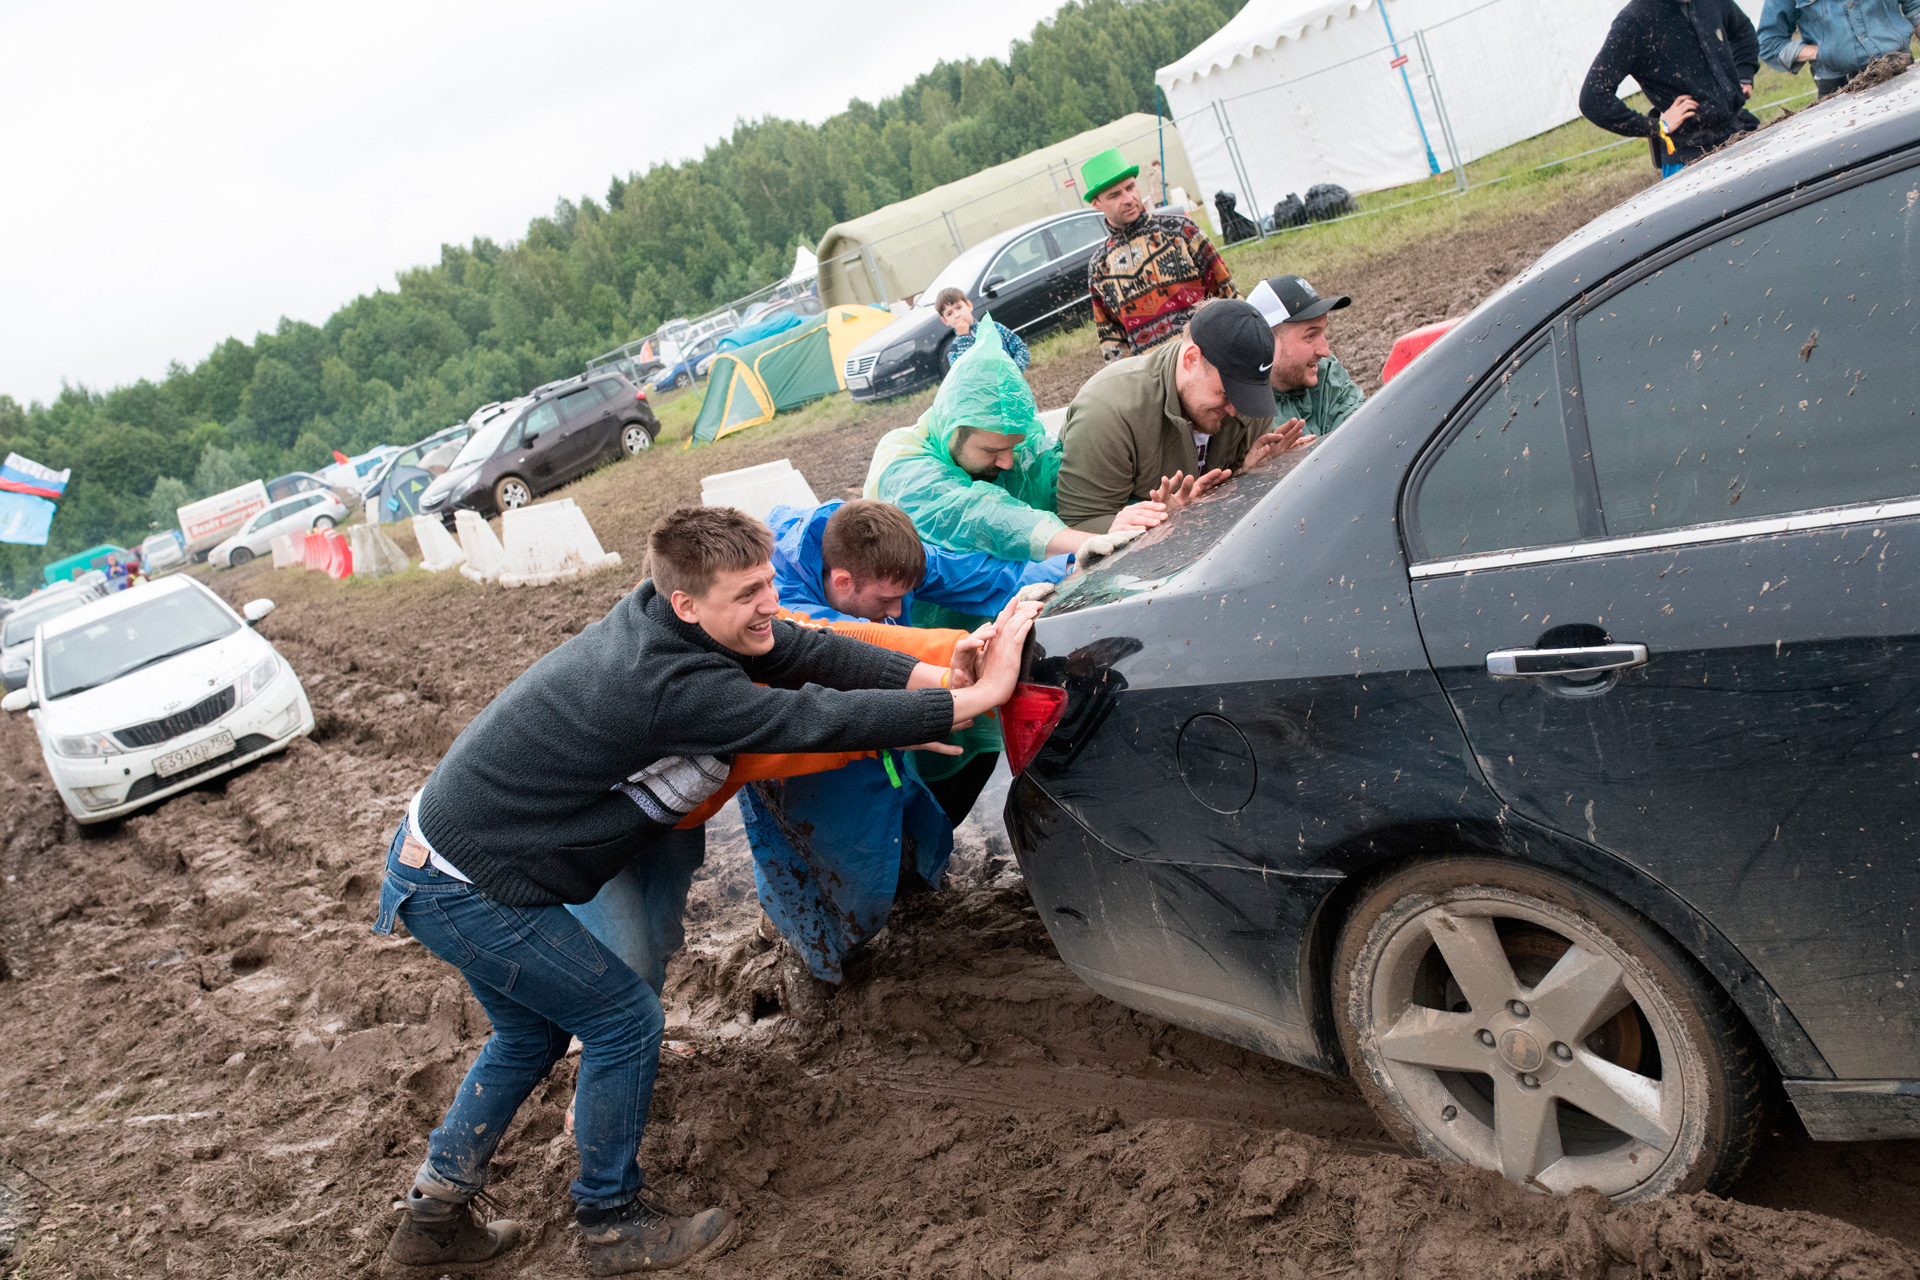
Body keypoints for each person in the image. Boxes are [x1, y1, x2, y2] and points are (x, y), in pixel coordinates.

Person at [373, 505, 1036, 1274]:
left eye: (767, 582)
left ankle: (431, 1220)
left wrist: (938, 674)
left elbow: (802, 649)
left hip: (441, 857)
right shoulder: (667, 684)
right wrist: (978, 698)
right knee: (624, 1020)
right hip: (464, 884)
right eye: (747, 593)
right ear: (688, 601)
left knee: (531, 1035)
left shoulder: (670, 618)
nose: (769, 604)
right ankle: (610, 1221)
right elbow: (804, 716)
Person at [866, 319, 1167, 562]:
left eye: (1013, 446)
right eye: (991, 450)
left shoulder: (1022, 448)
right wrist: (1090, 541)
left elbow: (1072, 484)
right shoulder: (903, 465)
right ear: (952, 432)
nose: (1008, 461)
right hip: (954, 632)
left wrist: (1145, 512)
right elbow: (981, 516)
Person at [1055, 299, 1306, 534]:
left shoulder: (1245, 403)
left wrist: (1251, 476)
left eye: (1247, 397)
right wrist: (1163, 520)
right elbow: (1078, 525)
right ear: (1191, 359)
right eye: (1227, 394)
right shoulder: (1109, 412)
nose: (1235, 410)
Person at [1081, 146, 1239, 363]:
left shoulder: (1181, 231)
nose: (1128, 198)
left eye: (1130, 187)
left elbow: (1228, 294)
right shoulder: (1099, 267)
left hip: (1210, 362)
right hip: (1155, 383)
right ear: (1097, 204)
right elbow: (1112, 341)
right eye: (1115, 195)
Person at [1580, 0, 1761, 177]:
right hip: (1690, 158)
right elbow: (1593, 97)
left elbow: (1742, 30)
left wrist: (1744, 74)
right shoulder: (1634, 20)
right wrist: (1656, 126)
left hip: (1743, 132)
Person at [1245, 274, 1367, 438]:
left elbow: (1364, 430)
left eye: (1323, 331)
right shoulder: (1236, 408)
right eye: (1310, 336)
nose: (1325, 351)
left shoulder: (1326, 372)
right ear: (1267, 343)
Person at [1757, 0, 1920, 99]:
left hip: (1900, 70)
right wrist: (1820, 52)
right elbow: (1768, 43)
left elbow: (1916, 8)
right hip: (1838, 89)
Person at [934, 288, 1030, 371]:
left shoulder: (994, 327)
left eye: (959, 307)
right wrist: (964, 337)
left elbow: (1020, 348)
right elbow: (965, 374)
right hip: (986, 392)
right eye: (949, 313)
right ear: (945, 321)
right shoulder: (953, 349)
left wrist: (1015, 370)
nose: (957, 315)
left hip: (1013, 387)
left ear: (969, 306)